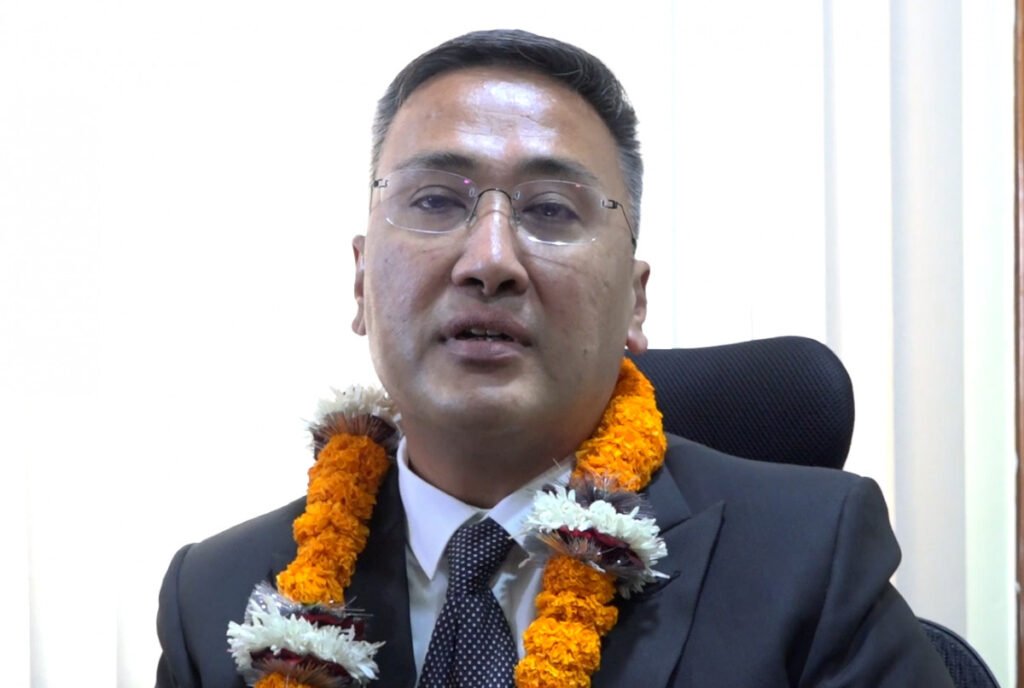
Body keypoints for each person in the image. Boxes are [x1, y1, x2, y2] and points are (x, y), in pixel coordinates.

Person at [155, 29, 955, 688]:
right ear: (362, 281)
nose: (489, 260)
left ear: (634, 301)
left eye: (550, 210)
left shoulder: (809, 558)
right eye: (435, 201)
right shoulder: (219, 599)